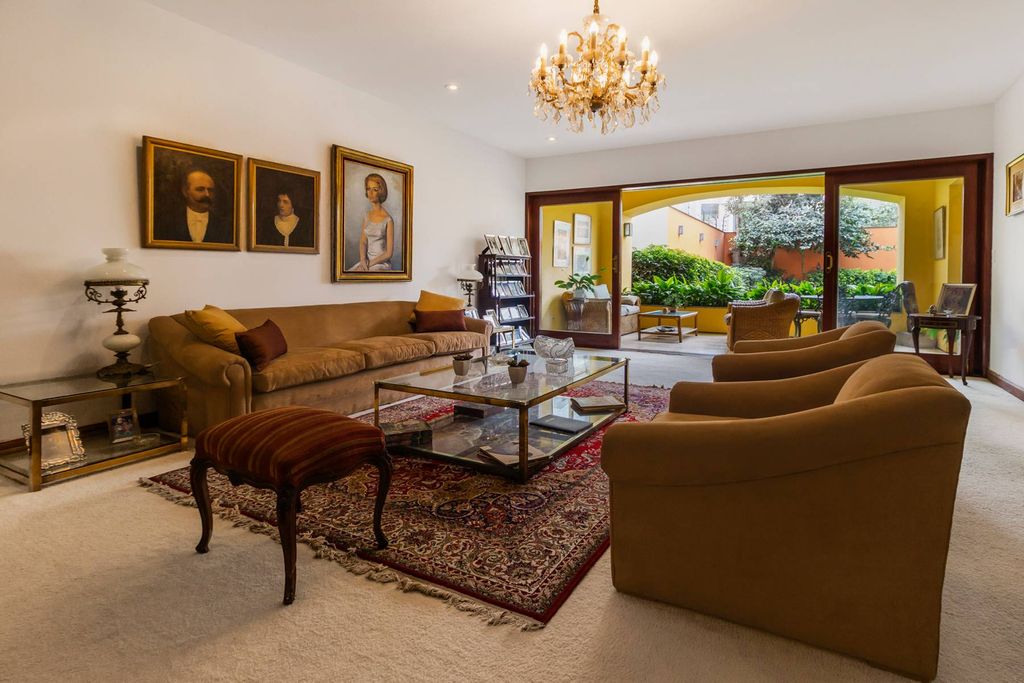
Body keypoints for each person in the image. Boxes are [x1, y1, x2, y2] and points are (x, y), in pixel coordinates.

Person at [153, 168, 233, 244]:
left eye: (210, 190)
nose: (207, 194)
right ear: (185, 191)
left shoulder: (226, 225)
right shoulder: (166, 221)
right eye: (200, 189)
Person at [350, 173, 394, 271]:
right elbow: (363, 242)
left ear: (381, 191)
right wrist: (363, 260)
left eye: (375, 189)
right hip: (366, 262)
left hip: (381, 264)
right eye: (368, 189)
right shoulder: (366, 216)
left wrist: (369, 264)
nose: (370, 193)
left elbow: (388, 253)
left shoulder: (388, 219)